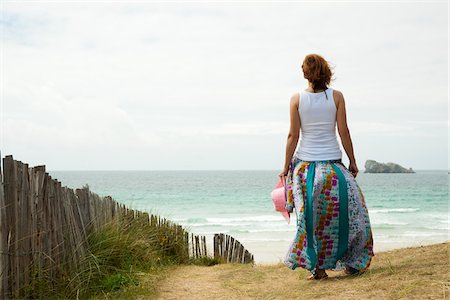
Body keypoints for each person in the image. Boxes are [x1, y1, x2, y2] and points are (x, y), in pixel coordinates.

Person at [279, 54, 374, 280]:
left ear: (305, 73)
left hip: (305, 170)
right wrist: (352, 161)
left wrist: (285, 167)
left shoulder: (296, 99)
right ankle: (354, 261)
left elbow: (293, 135)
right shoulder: (337, 97)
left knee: (310, 220)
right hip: (333, 170)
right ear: (326, 72)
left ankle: (318, 269)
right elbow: (344, 132)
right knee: (352, 214)